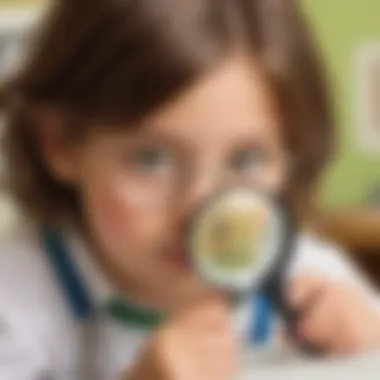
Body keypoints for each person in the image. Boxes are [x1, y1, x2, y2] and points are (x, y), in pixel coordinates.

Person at [0, 0, 380, 379]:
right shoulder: (15, 303)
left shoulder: (319, 283)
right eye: (151, 159)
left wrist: (366, 357)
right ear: (60, 144)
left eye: (245, 161)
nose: (199, 212)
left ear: (290, 158)